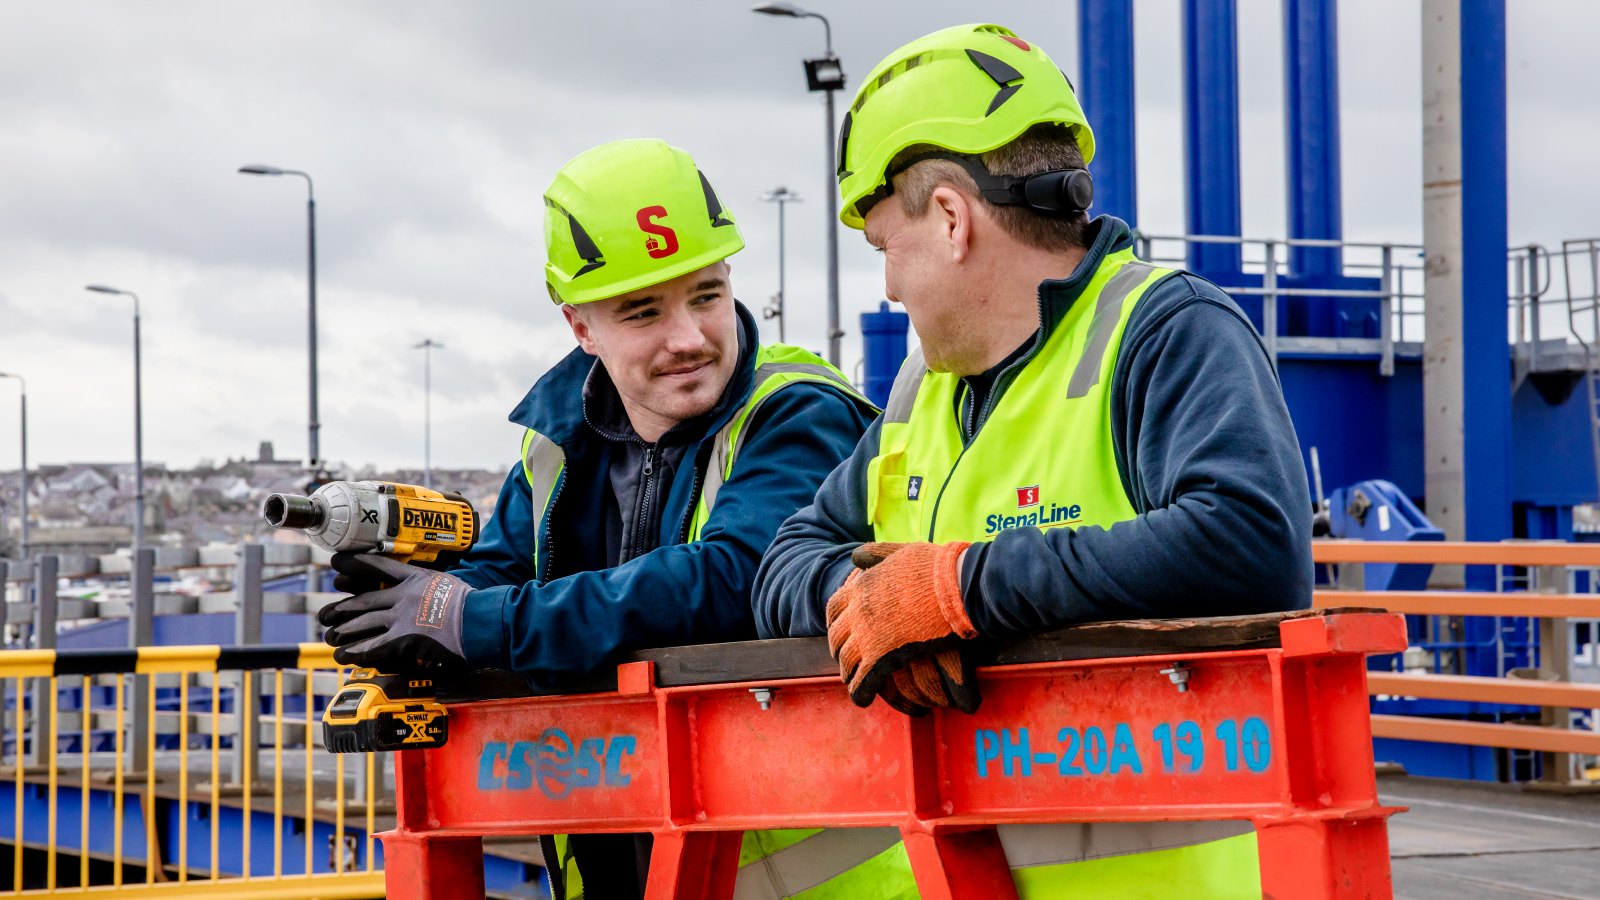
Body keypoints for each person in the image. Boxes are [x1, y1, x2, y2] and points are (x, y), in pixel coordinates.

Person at [753, 24, 1312, 899]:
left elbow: (1249, 541)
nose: (890, 288)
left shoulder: (1167, 332)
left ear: (949, 219)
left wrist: (958, 592)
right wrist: (869, 606)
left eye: (883, 248)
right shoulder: (921, 391)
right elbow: (786, 557)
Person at [316, 139, 877, 899]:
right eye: (644, 311)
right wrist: (414, 601)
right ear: (580, 326)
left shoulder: (794, 413)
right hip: (627, 855)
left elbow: (736, 579)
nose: (689, 337)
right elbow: (505, 574)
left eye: (706, 296)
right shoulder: (558, 442)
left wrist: (471, 621)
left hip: (797, 870)